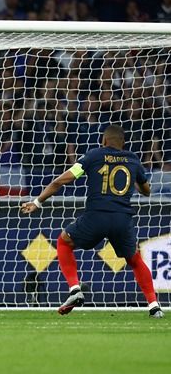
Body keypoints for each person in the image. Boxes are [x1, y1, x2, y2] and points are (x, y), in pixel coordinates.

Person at [21, 125, 163, 318]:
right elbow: (146, 191)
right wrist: (132, 180)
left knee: (63, 241)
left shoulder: (93, 156)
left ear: (104, 141)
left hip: (96, 216)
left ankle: (74, 289)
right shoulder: (132, 159)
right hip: (122, 219)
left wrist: (37, 202)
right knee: (135, 259)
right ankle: (154, 306)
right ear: (123, 143)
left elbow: (61, 181)